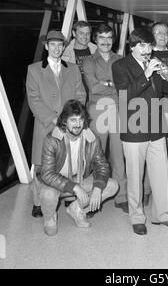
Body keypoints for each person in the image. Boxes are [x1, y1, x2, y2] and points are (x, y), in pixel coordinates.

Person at [112, 28, 168, 235]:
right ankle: (137, 217)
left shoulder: (156, 63)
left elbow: (167, 91)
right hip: (134, 128)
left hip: (157, 127)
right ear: (132, 46)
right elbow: (126, 95)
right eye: (142, 45)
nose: (147, 49)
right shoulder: (120, 66)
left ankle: (162, 215)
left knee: (161, 173)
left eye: (149, 45)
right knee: (135, 176)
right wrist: (147, 73)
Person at [26, 30, 86, 219]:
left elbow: (81, 95)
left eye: (60, 45)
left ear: (64, 47)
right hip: (46, 125)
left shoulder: (73, 68)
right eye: (52, 44)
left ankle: (68, 196)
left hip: (68, 126)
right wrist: (54, 119)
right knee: (41, 166)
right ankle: (38, 203)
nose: (56, 48)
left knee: (67, 161)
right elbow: (34, 99)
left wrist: (71, 119)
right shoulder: (34, 69)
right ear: (46, 46)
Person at [39, 99, 119, 236]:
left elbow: (103, 166)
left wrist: (97, 188)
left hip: (79, 178)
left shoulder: (91, 138)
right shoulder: (52, 139)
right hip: (56, 181)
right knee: (47, 194)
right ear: (64, 121)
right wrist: (75, 187)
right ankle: (50, 217)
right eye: (73, 120)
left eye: (81, 119)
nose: (78, 124)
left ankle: (76, 209)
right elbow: (47, 174)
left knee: (112, 186)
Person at [83, 24, 128, 214]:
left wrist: (106, 84)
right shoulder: (88, 61)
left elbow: (125, 86)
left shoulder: (121, 60)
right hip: (97, 111)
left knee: (119, 155)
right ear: (95, 39)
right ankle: (93, 197)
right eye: (101, 37)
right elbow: (93, 87)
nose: (106, 41)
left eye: (109, 37)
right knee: (96, 156)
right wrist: (112, 84)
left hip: (118, 110)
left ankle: (122, 196)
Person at [143, 22, 168, 205]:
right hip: (150, 108)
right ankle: (146, 190)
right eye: (158, 32)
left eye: (165, 33)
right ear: (152, 35)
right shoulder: (145, 54)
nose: (162, 35)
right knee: (148, 150)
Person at [62, 20, 97, 97]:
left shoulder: (97, 51)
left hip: (94, 97)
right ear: (74, 33)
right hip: (74, 98)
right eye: (81, 33)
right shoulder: (64, 54)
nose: (85, 36)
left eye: (87, 33)